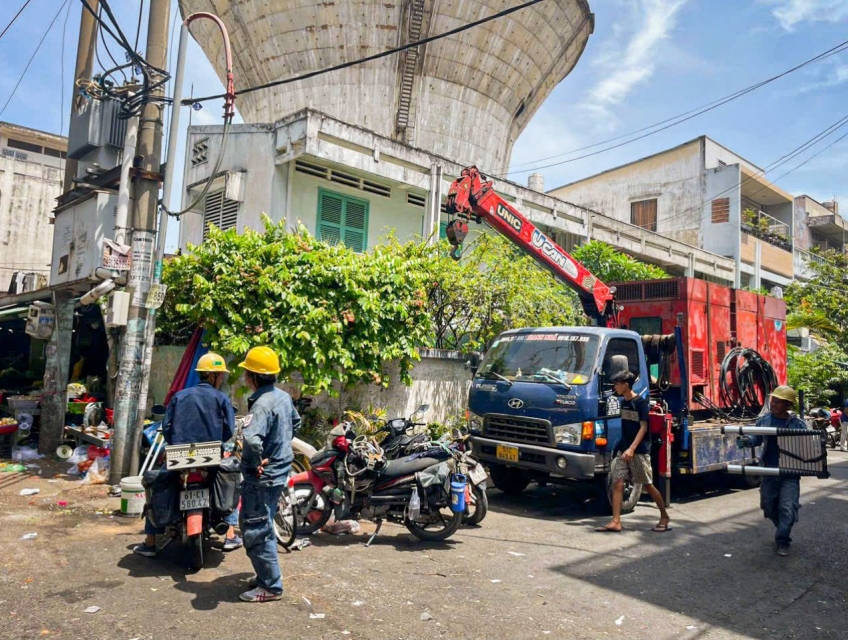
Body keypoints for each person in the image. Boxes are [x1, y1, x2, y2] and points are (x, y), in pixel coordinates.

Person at [133, 352, 242, 557]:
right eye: (221, 376)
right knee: (230, 479)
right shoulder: (221, 398)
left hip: (179, 456)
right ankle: (230, 534)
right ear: (214, 376)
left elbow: (167, 427)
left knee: (158, 484)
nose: (221, 380)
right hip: (212, 456)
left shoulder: (180, 396)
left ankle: (150, 542)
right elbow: (228, 430)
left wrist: (176, 442)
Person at [237, 346, 301, 603]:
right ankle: (265, 576)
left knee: (256, 528)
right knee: (262, 523)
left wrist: (255, 463)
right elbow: (294, 423)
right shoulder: (283, 397)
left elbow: (252, 441)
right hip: (279, 472)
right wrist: (280, 447)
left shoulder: (262, 405)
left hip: (262, 478)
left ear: (251, 376)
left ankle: (271, 586)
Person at [595, 370, 671, 533]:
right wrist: (623, 448)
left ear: (626, 385)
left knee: (648, 485)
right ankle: (616, 521)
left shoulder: (640, 403)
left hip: (638, 451)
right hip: (624, 450)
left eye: (617, 383)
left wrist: (632, 449)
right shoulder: (623, 402)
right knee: (617, 482)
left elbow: (643, 428)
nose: (615, 386)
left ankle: (664, 516)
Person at [737, 385, 807, 557]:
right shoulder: (764, 420)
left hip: (790, 472)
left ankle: (782, 540)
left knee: (787, 507)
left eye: (778, 401)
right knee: (767, 505)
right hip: (768, 471)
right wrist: (747, 440)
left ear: (788, 405)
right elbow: (757, 438)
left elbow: (808, 446)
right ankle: (783, 525)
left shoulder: (798, 424)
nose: (773, 403)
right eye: (773, 400)